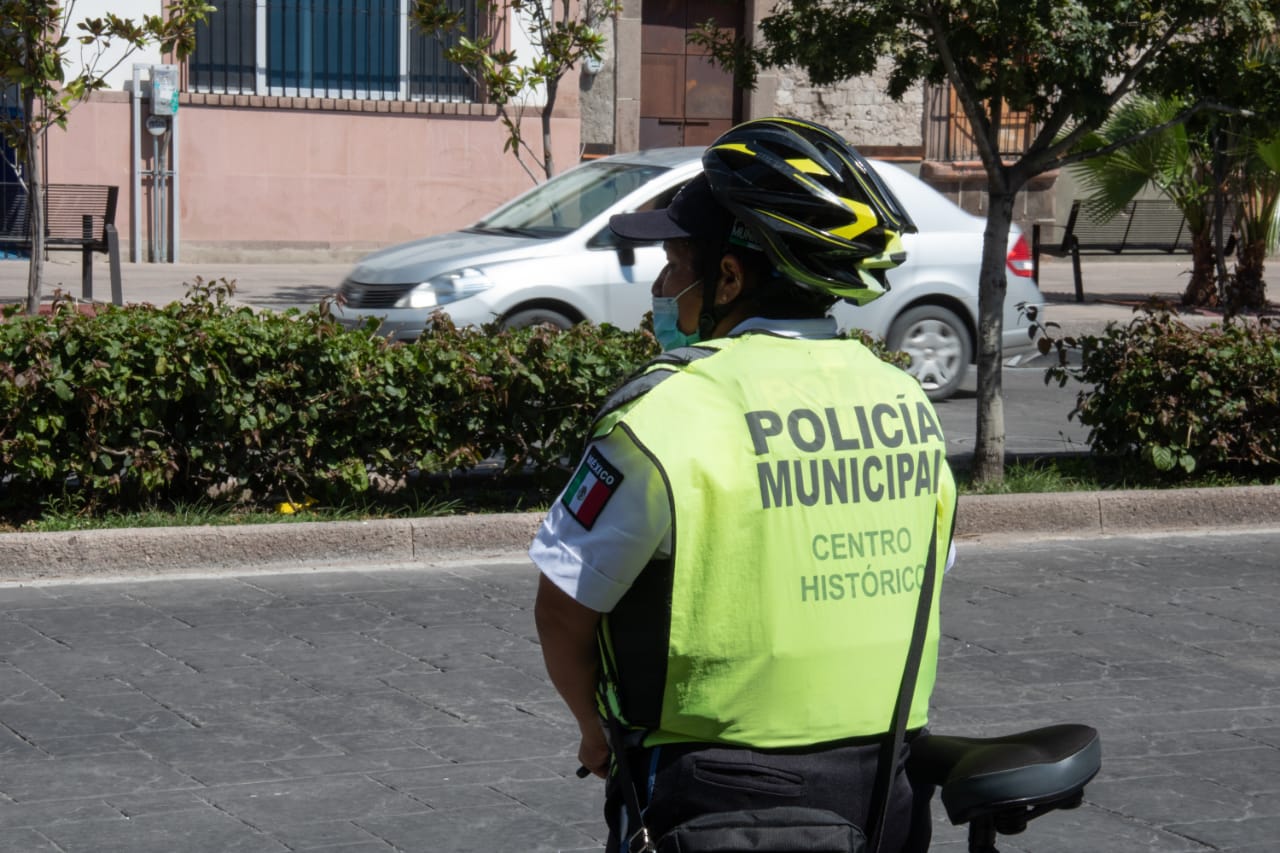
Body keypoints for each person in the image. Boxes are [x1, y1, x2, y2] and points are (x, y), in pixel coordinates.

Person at [530, 116, 958, 853]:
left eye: (673, 262)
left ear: (728, 276)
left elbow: (563, 611)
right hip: (888, 785)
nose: (662, 287)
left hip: (714, 795)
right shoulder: (905, 402)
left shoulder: (665, 411)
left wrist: (593, 733)